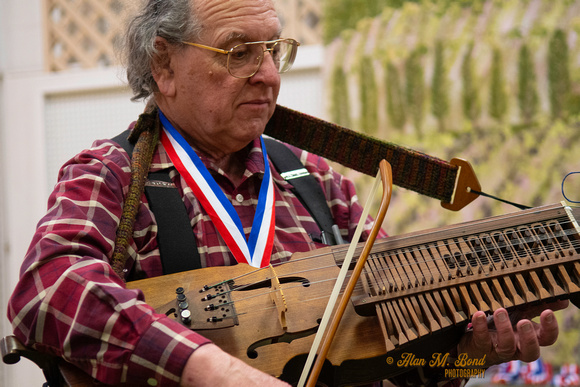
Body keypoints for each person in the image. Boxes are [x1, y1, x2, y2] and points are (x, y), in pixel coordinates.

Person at [7, 0, 567, 386]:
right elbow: (45, 287)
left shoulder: (321, 185)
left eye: (274, 49)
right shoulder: (111, 173)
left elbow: (402, 367)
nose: (268, 74)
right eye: (238, 51)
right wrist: (209, 369)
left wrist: (463, 357)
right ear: (164, 65)